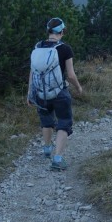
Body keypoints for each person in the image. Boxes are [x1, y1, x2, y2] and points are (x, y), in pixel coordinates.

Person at [27, 17, 83, 171]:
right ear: (62, 31)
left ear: (48, 31)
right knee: (64, 122)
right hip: (59, 92)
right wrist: (78, 87)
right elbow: (70, 75)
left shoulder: (37, 47)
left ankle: (46, 149)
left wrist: (29, 93)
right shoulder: (65, 49)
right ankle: (57, 159)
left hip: (40, 92)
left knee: (46, 120)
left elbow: (33, 71)